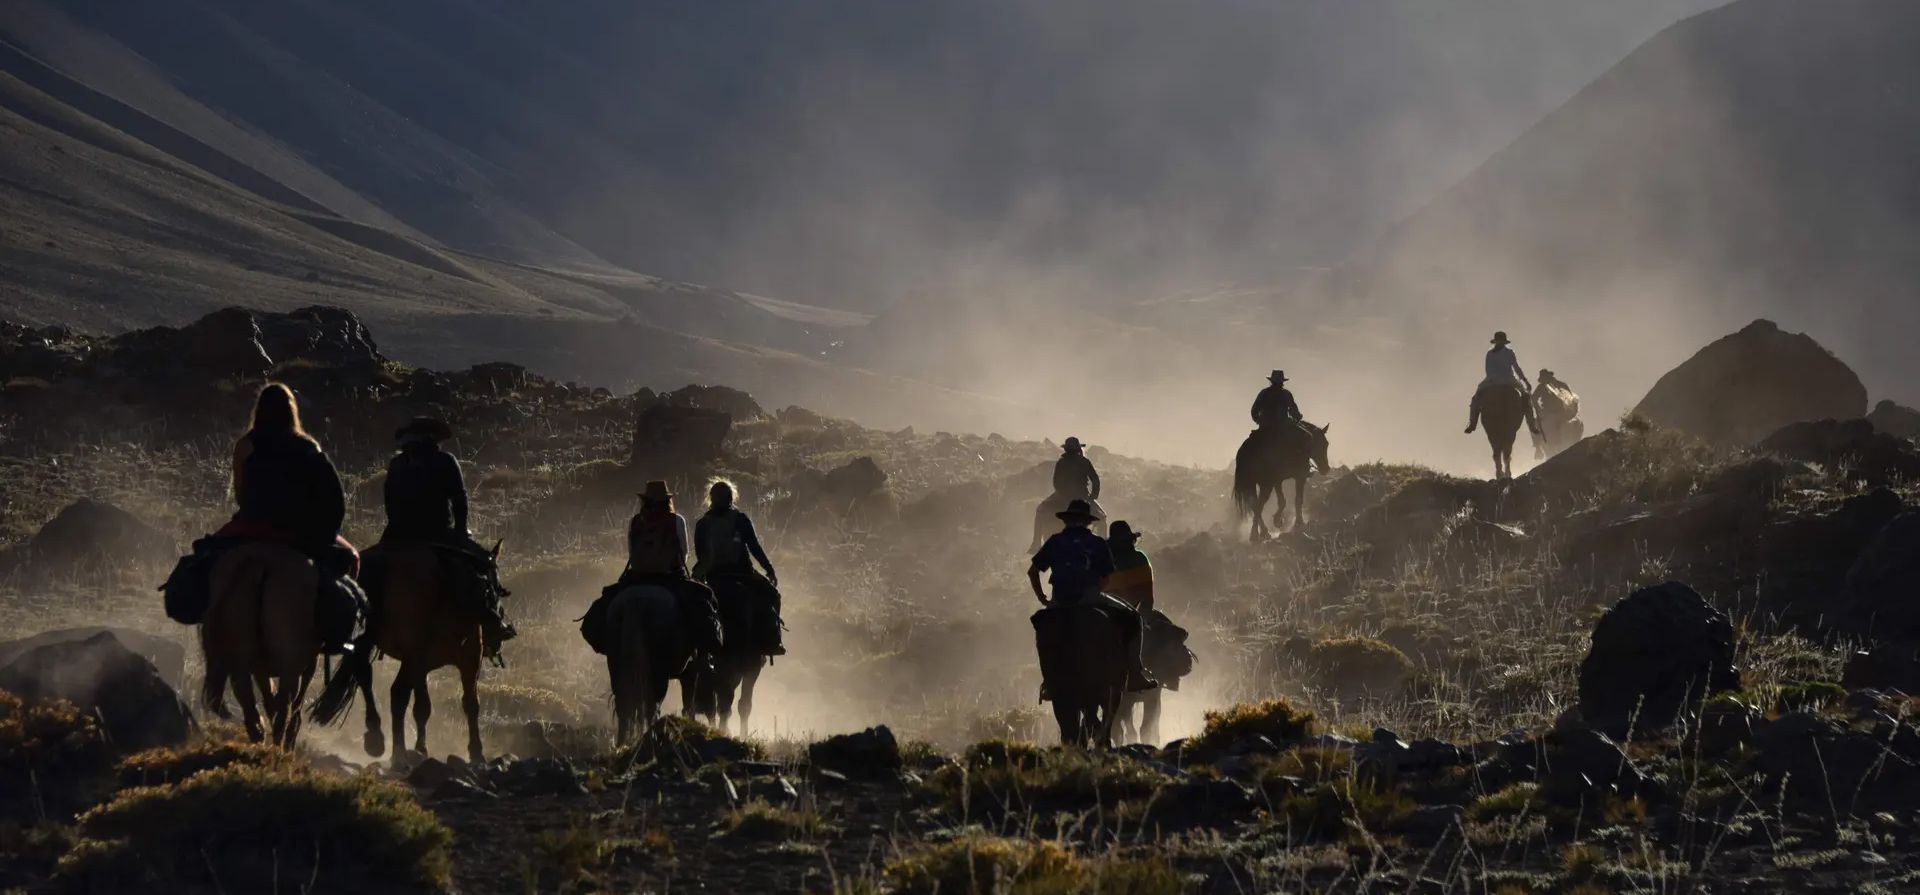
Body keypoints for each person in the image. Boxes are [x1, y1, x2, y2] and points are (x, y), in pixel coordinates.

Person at [379, 417, 515, 659]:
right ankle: (493, 627)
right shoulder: (444, 461)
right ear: (433, 438)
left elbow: (389, 502)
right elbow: (459, 500)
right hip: (439, 532)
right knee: (483, 565)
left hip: (397, 535)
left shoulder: (397, 463)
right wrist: (461, 533)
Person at [1028, 500, 1155, 691]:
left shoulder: (1054, 541)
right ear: (1087, 522)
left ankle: (1048, 681)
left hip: (1059, 601)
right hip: (1090, 598)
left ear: (1066, 521)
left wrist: (1042, 598)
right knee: (1134, 618)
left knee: (1043, 634)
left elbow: (1032, 572)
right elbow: (1105, 578)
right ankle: (1136, 674)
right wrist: (1096, 589)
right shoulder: (1096, 543)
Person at [225, 383, 352, 570]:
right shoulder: (309, 446)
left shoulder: (245, 445)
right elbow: (332, 497)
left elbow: (240, 496)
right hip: (299, 534)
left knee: (201, 563)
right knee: (352, 564)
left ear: (259, 410)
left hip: (251, 527)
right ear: (291, 410)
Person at [615, 481, 722, 655]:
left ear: (645, 500)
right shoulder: (677, 520)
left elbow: (631, 551)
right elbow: (684, 554)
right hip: (670, 577)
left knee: (608, 601)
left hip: (637, 577)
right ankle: (705, 657)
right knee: (704, 601)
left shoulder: (635, 521)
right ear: (666, 500)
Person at [693, 480, 786, 656]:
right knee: (772, 595)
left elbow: (701, 555)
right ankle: (772, 641)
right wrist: (769, 569)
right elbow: (754, 546)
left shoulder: (702, 523)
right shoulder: (740, 519)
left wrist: (699, 574)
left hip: (713, 576)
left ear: (711, 499)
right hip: (742, 574)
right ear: (731, 498)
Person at [1465, 331, 1541, 435]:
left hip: (1491, 380)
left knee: (1476, 399)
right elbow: (1516, 368)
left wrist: (1493, 377)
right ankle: (1532, 426)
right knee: (1526, 398)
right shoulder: (1508, 352)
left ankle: (1472, 424)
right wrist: (1524, 381)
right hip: (1508, 380)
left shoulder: (1490, 353)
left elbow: (1488, 369)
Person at [1104, 521, 1153, 613]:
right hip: (1130, 611)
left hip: (1106, 608)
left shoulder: (1104, 557)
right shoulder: (1140, 558)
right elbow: (1148, 597)